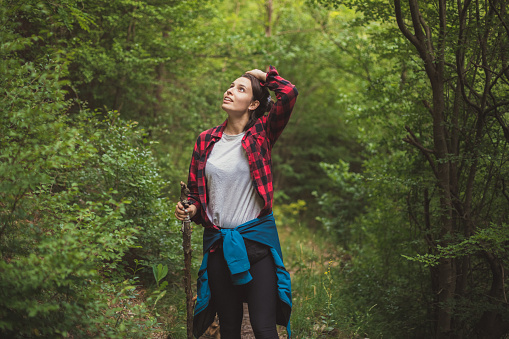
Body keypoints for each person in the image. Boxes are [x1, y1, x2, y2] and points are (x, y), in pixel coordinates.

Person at [174, 66, 298, 339]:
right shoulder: (206, 140)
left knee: (263, 327)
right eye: (231, 86)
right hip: (219, 244)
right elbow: (195, 192)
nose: (230, 90)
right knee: (229, 328)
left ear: (254, 104)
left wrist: (264, 76)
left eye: (241, 89)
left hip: (257, 243)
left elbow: (289, 94)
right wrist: (190, 207)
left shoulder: (262, 133)